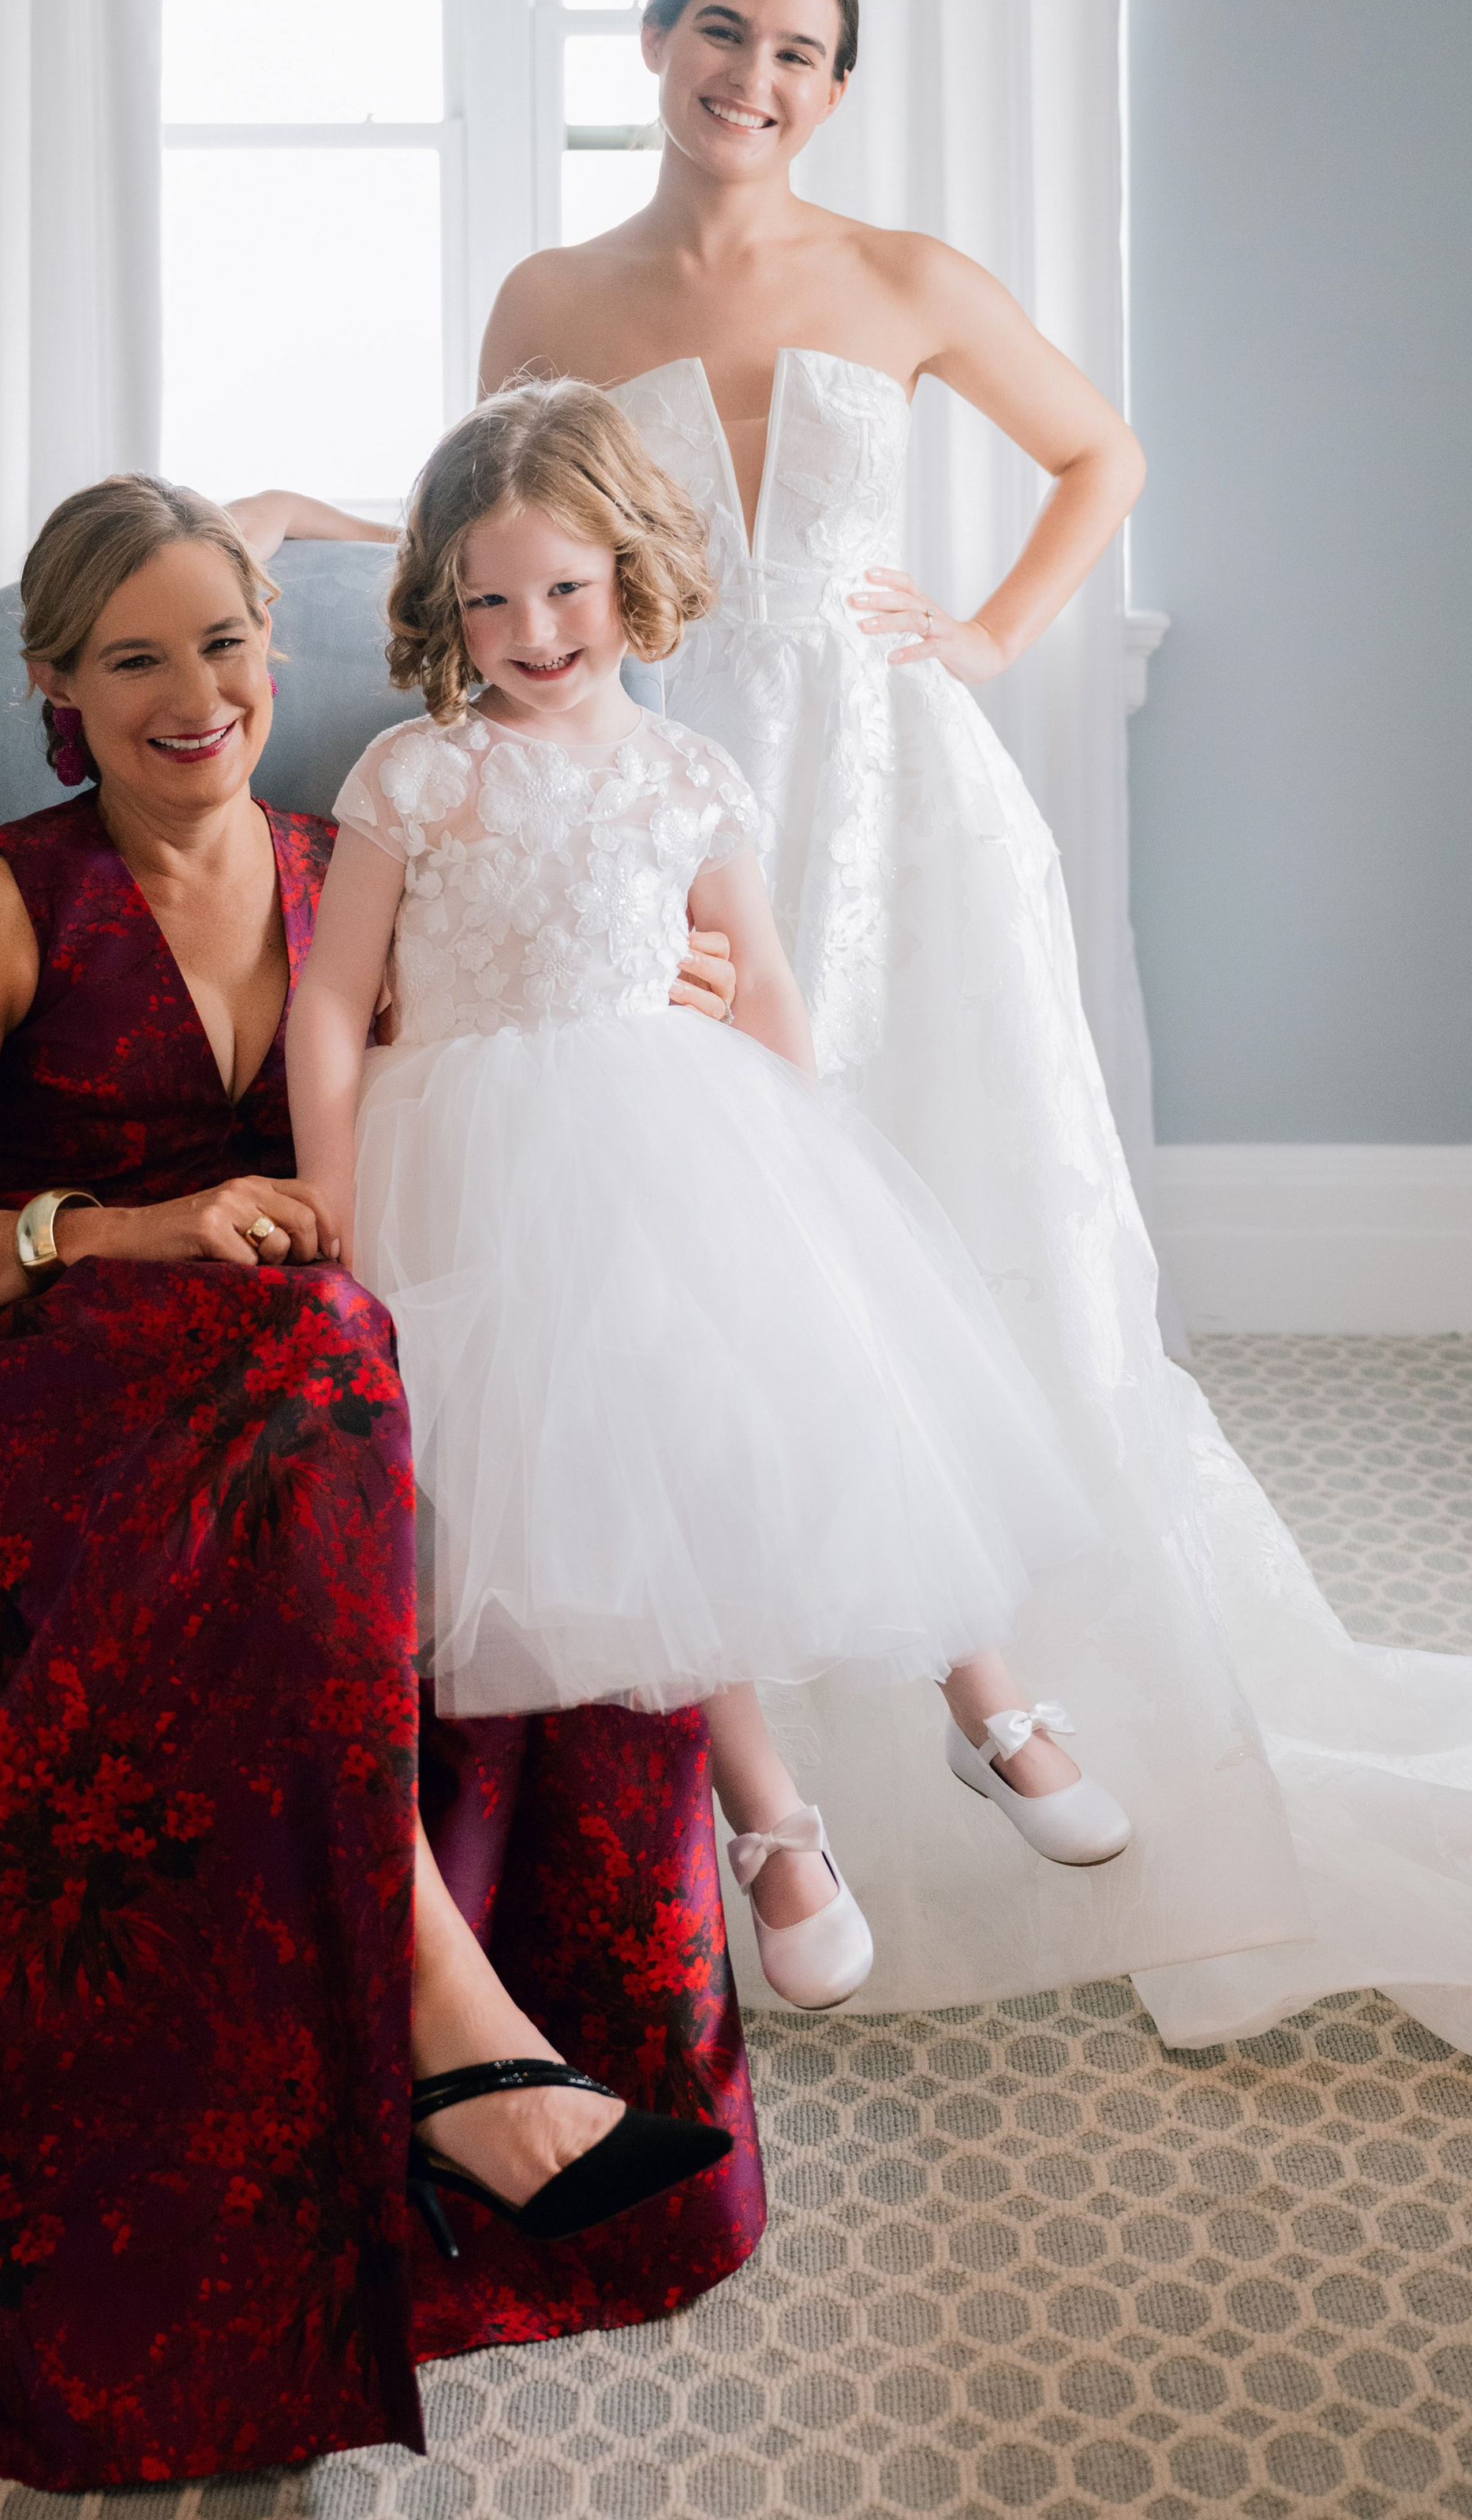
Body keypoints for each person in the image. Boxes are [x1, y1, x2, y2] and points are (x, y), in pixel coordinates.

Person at [0, 480, 764, 2493]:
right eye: (136, 659)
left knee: (361, 1373)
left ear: (278, 655)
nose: (198, 694)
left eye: (227, 644)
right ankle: (459, 2030)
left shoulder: (349, 864)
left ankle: (478, 2036)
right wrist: (121, 1230)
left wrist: (661, 995)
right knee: (317, 1355)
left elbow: (495, 1066)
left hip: (265, 1404)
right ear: (55, 695)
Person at [458, 0, 1472, 2058]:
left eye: (804, 52)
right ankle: (780, 1789)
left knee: (950, 1190)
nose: (756, 76)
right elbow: (500, 532)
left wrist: (992, 633)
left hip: (895, 793)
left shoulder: (911, 276)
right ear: (655, 40)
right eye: (724, 30)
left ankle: (1002, 1691)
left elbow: (1100, 455)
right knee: (720, 1246)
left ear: (837, 90)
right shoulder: (553, 299)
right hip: (681, 799)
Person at [286, 382, 1134, 2028]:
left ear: (630, 569)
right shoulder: (418, 774)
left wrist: (795, 1175)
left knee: (815, 1386)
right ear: (442, 605)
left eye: (564, 587)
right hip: (470, 1161)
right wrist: (329, 1182)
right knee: (638, 1464)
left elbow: (766, 1000)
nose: (531, 629)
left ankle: (986, 1697)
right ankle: (772, 1821)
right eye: (487, 597)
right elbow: (332, 1002)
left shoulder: (688, 771)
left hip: (677, 1130)